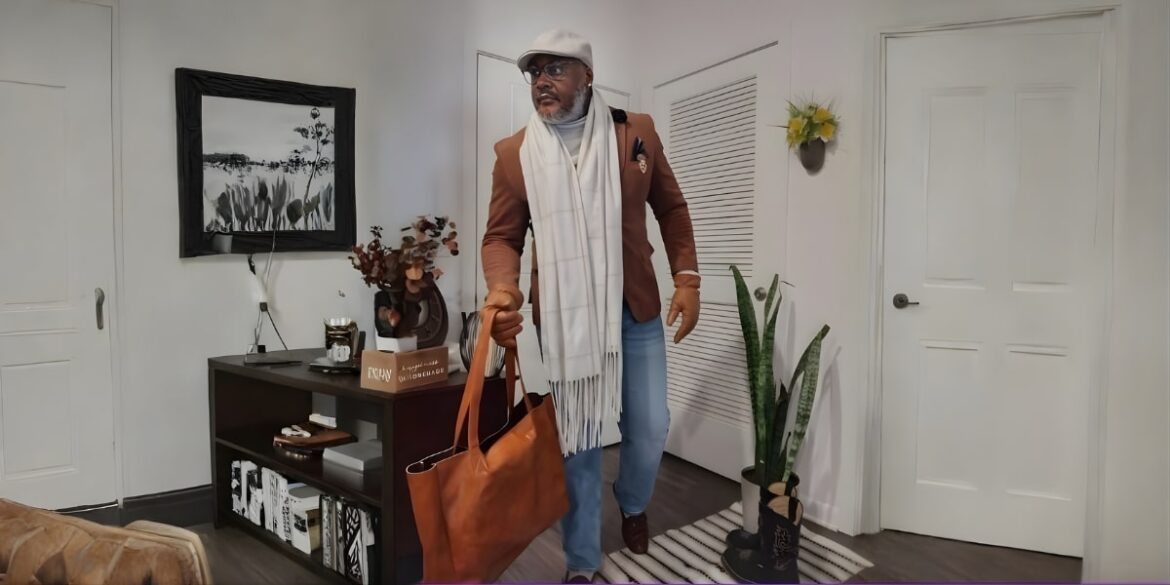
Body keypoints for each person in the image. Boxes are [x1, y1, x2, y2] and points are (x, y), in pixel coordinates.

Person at [480, 29, 701, 583]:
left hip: (635, 307)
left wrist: (688, 279)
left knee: (649, 426)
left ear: (587, 76)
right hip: (567, 316)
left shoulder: (636, 134)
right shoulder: (514, 156)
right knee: (577, 436)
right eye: (535, 73)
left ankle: (632, 502)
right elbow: (501, 239)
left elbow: (671, 209)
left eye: (555, 69)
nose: (542, 82)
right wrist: (503, 288)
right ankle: (581, 560)